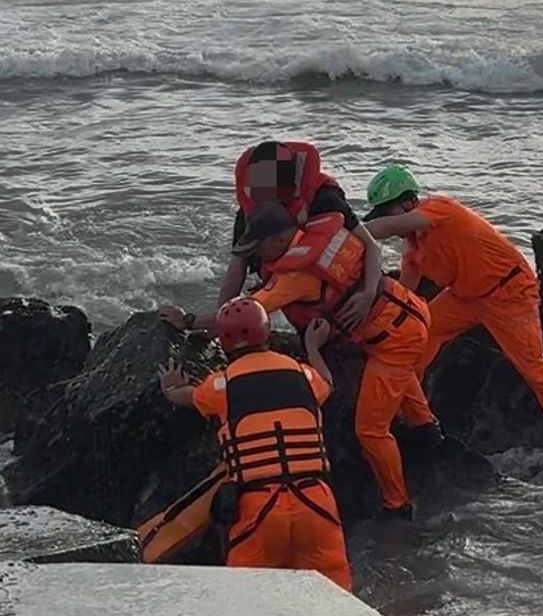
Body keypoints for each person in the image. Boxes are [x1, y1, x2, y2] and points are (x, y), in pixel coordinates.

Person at [162, 202, 441, 519]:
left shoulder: (295, 275)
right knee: (400, 378)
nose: (256, 255)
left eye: (259, 247)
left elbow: (247, 312)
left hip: (392, 339)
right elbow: (370, 248)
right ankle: (427, 430)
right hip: (409, 312)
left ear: (279, 239)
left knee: (371, 430)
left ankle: (397, 503)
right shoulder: (324, 235)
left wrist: (188, 320)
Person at [362, 165, 543, 468]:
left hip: (510, 293)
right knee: (415, 337)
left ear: (407, 203)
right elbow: (405, 295)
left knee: (536, 372)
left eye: (387, 213)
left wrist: (347, 230)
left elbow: (384, 228)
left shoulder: (440, 209)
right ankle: (418, 422)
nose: (390, 224)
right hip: (464, 297)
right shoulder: (413, 248)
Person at [157, 296, 353, 590]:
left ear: (224, 343)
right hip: (316, 503)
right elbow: (326, 383)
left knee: (248, 603)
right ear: (267, 334)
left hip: (259, 508)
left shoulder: (222, 384)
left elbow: (184, 396)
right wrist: (312, 347)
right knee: (338, 601)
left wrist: (171, 386)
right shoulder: (302, 373)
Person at [218, 140, 385, 332]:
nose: (265, 203)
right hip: (293, 284)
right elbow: (235, 270)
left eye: (271, 195)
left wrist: (369, 293)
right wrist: (221, 320)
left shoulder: (324, 197)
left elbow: (372, 246)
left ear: (290, 187)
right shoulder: (253, 209)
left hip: (345, 286)